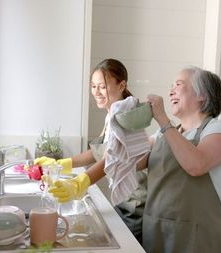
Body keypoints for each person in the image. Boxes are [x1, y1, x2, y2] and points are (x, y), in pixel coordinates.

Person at [49, 65, 221, 253]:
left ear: (202, 95)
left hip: (199, 240)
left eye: (179, 85)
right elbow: (124, 160)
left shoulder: (218, 131)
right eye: (172, 86)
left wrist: (162, 118)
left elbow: (196, 165)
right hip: (158, 235)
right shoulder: (165, 135)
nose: (171, 91)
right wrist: (81, 182)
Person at [38, 58, 147, 242]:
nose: (96, 92)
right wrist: (62, 164)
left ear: (122, 85)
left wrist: (80, 183)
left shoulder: (124, 117)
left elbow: (110, 160)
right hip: (125, 201)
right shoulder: (114, 114)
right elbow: (99, 151)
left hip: (135, 204)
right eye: (93, 86)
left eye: (102, 87)